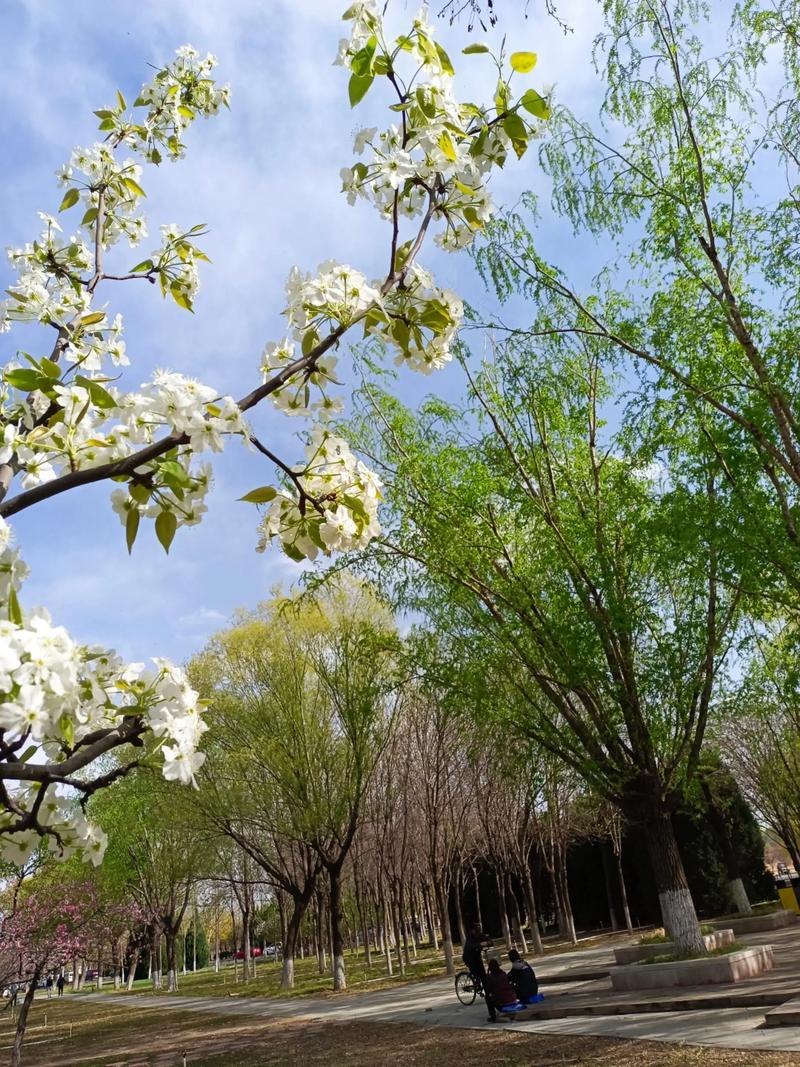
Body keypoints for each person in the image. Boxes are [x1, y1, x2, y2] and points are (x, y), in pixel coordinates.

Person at [483, 958, 522, 1022]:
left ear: (490, 968)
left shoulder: (490, 977)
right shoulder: (503, 974)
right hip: (512, 999)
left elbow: (487, 991)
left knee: (487, 997)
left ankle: (493, 1017)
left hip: (502, 1002)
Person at [461, 923, 490, 997]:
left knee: (483, 975)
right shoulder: (470, 937)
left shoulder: (480, 935)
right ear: (473, 930)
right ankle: (477, 985)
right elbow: (471, 946)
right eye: (476, 930)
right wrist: (480, 945)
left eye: (479, 930)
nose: (478, 932)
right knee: (476, 973)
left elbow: (490, 941)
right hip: (469, 958)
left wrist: (487, 943)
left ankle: (487, 992)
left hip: (477, 957)